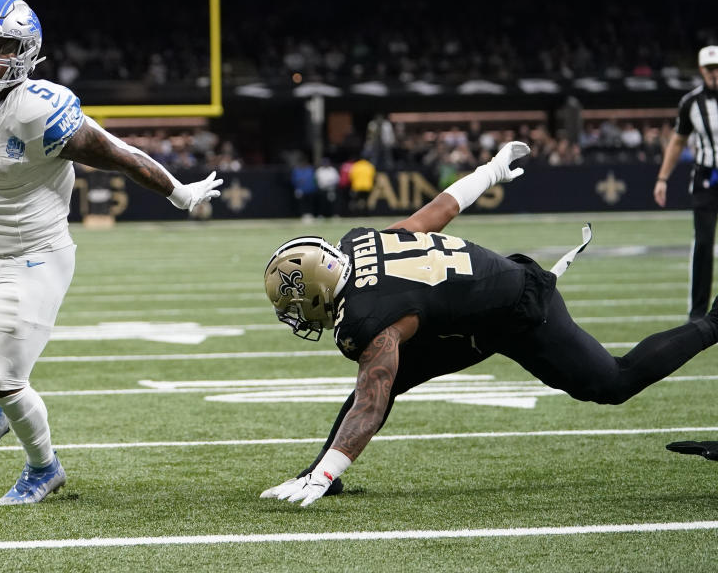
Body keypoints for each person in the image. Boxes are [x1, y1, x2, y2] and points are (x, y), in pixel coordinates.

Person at [0, 0, 222, 506]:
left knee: (9, 378)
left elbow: (119, 155)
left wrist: (181, 192)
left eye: (0, 47)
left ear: (26, 53)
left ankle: (44, 469)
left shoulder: (39, 112)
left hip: (34, 259)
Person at [260, 141, 718, 508]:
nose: (298, 316)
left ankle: (713, 323)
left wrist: (327, 470)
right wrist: (492, 171)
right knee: (381, 380)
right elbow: (435, 213)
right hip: (469, 314)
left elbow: (371, 401)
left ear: (316, 289)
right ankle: (324, 472)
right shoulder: (357, 243)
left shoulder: (365, 318)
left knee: (613, 382)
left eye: (295, 306)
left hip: (517, 309)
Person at [653, 45, 718, 320]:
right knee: (703, 244)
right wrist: (662, 178)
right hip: (705, 178)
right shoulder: (691, 103)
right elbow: (678, 141)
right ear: (702, 71)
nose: (715, 74)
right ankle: (698, 313)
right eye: (710, 69)